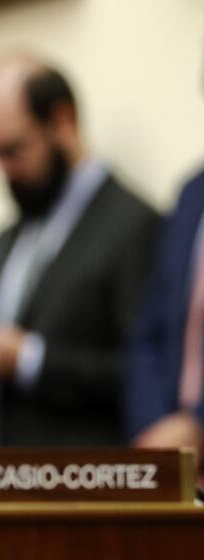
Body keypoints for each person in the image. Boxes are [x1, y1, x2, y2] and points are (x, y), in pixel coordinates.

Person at [0, 54, 160, 447]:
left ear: (62, 121)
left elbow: (147, 371)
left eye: (13, 150)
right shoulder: (5, 240)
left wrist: (29, 359)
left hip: (83, 485)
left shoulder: (133, 224)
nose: (3, 170)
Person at [126, 169, 204, 465]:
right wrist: (155, 423)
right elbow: (151, 330)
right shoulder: (193, 192)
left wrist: (198, 426)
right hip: (172, 453)